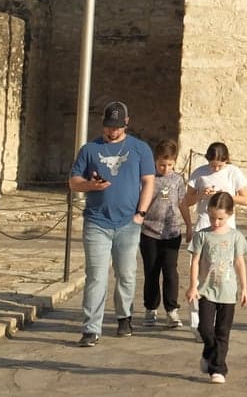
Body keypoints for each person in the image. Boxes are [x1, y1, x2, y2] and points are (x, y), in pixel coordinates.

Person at [68, 100, 155, 347]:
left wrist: (141, 213)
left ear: (126, 123)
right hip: (97, 221)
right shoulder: (89, 149)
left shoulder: (140, 149)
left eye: (117, 127)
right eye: (108, 126)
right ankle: (91, 328)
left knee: (126, 273)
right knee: (96, 275)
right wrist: (90, 186)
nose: (112, 131)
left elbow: (149, 181)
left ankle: (124, 316)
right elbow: (74, 181)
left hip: (128, 221)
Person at [187, 190, 247, 385]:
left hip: (228, 292)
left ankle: (218, 368)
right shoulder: (202, 236)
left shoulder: (236, 237)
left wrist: (244, 288)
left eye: (220, 219)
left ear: (229, 214)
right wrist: (192, 286)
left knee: (223, 332)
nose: (215, 223)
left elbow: (239, 263)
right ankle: (209, 352)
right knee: (205, 328)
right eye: (212, 218)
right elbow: (195, 261)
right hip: (206, 290)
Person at [140, 139, 187, 328]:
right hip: (149, 232)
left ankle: (172, 310)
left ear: (174, 162)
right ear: (155, 161)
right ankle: (151, 308)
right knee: (151, 271)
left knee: (170, 272)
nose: (165, 168)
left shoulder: (177, 180)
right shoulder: (148, 178)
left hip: (172, 232)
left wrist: (189, 226)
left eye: (169, 164)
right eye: (161, 164)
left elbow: (182, 202)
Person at [182, 142, 247, 235]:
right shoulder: (199, 173)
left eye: (220, 166)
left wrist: (226, 196)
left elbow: (245, 200)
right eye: (212, 165)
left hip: (227, 225)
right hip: (204, 224)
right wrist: (201, 195)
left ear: (226, 160)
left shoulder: (234, 172)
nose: (216, 169)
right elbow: (187, 201)